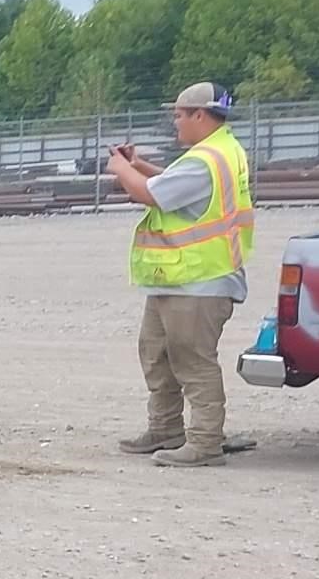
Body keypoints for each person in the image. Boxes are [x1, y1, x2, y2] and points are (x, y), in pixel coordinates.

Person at [106, 82, 257, 466]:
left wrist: (122, 169)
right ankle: (166, 428)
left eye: (179, 114)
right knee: (156, 353)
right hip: (178, 278)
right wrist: (138, 166)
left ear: (200, 115)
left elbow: (151, 194)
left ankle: (205, 442)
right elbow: (171, 185)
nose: (175, 121)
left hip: (199, 279)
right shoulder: (219, 151)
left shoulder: (204, 160)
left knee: (192, 360)